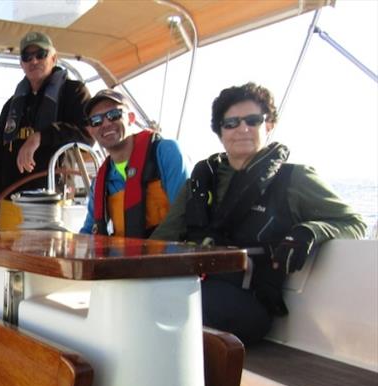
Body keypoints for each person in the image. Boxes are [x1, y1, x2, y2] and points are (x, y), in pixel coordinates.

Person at [151, 82, 367, 344]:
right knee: (139, 300)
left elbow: (354, 223)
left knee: (174, 309)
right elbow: (159, 242)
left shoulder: (295, 179)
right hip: (195, 287)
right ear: (220, 132)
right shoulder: (200, 182)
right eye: (230, 123)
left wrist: (311, 230)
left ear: (269, 125)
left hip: (249, 302)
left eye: (252, 121)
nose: (242, 129)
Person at [0, 31, 91, 230]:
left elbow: (88, 135)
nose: (33, 60)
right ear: (21, 64)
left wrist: (40, 137)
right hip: (11, 205)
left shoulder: (74, 92)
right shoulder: (11, 106)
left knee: (53, 261)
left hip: (54, 204)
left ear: (54, 58)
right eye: (27, 56)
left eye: (40, 54)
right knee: (10, 262)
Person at [79, 89, 189, 236]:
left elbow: (185, 214)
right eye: (96, 121)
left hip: (170, 255)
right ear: (91, 131)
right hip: (125, 257)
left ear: (131, 118)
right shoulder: (99, 182)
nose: (105, 123)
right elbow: (88, 233)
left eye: (114, 115)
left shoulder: (166, 152)